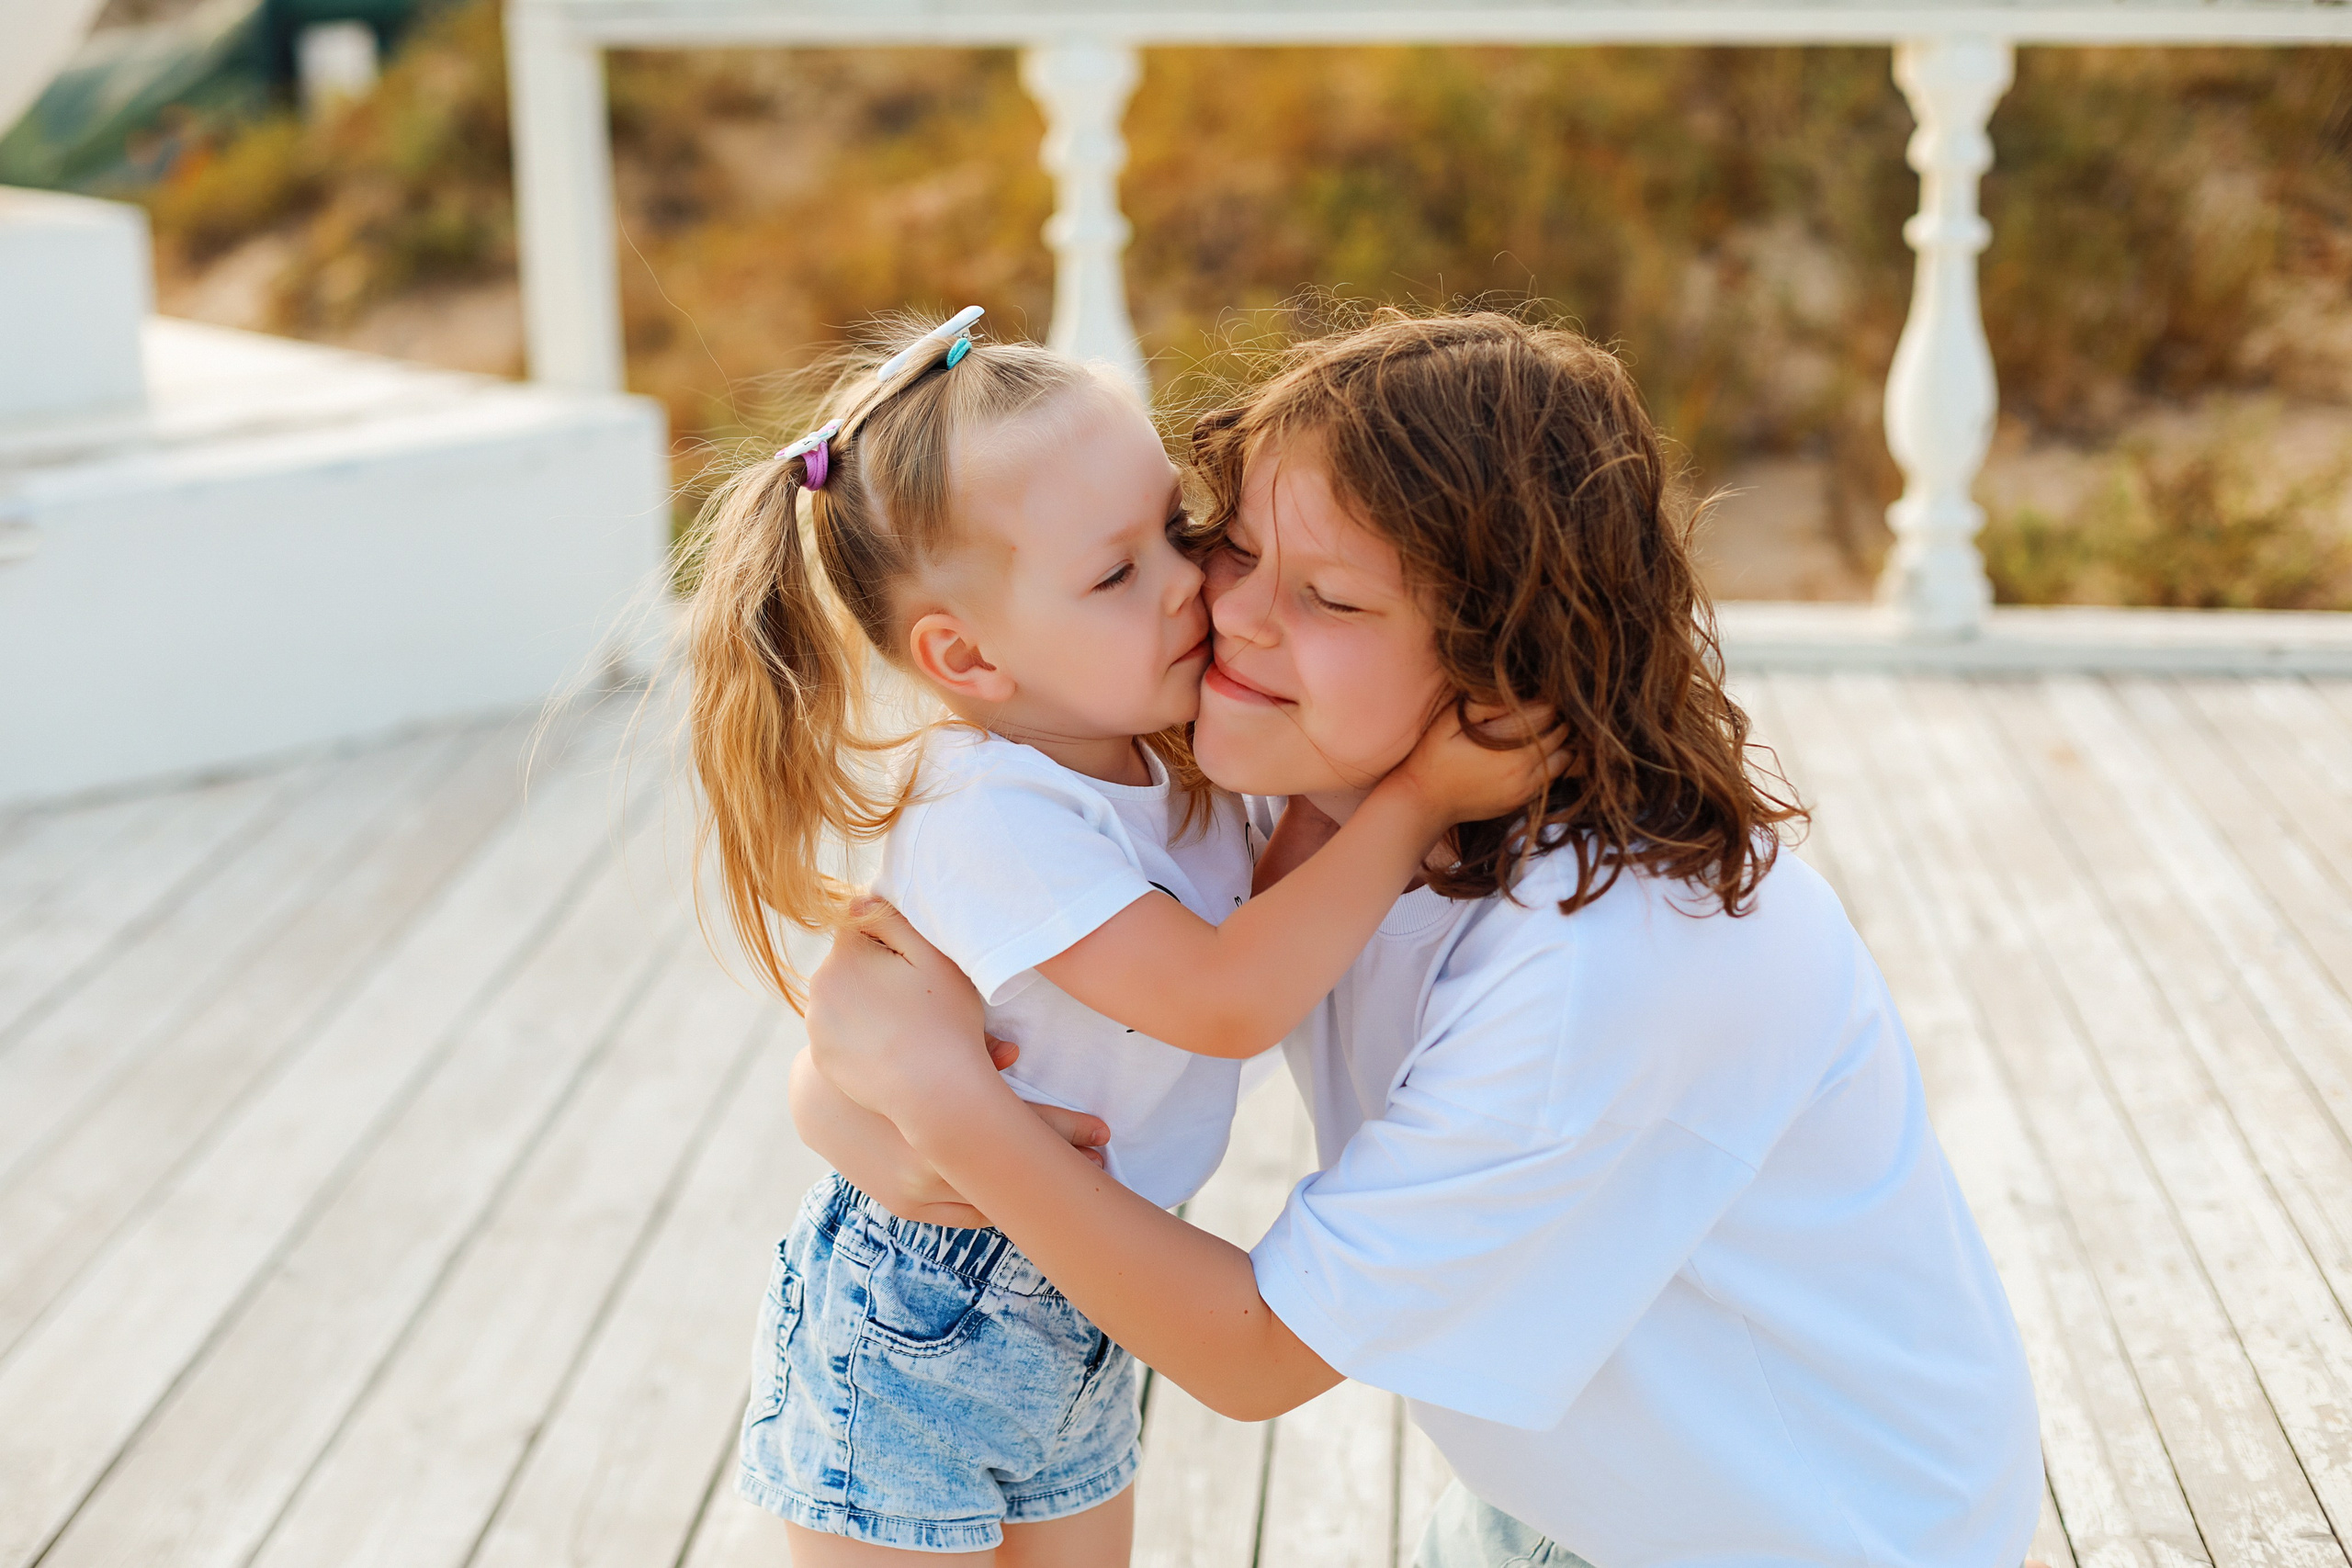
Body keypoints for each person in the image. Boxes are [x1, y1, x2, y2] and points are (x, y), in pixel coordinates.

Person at [796, 310, 2050, 1568]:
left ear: (1503, 673)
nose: (1223, 611)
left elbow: (1250, 1349)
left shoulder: (1604, 965)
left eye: (1329, 597)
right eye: (1226, 543)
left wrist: (948, 1107)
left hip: (1799, 1536)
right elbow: (925, 985)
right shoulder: (1322, 775)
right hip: (1567, 1495)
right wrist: (850, 1099)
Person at [684, 309, 1557, 1565]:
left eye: (1176, 528)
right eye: (1116, 572)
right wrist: (1420, 797)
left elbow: (1264, 895)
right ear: (965, 655)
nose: (1189, 583)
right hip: (928, 1307)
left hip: (1087, 1283)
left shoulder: (1145, 741)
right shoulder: (993, 806)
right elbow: (1224, 997)